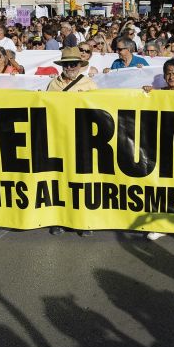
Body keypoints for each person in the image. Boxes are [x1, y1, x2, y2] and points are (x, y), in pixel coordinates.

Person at [142, 58, 174, 242]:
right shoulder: (158, 93)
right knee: (161, 186)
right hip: (161, 145)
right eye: (168, 73)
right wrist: (147, 93)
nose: (171, 76)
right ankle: (160, 225)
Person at [46, 47, 98, 237]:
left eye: (74, 64)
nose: (70, 67)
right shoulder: (53, 84)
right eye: (67, 64)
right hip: (59, 139)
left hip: (83, 138)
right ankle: (60, 219)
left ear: (80, 65)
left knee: (83, 180)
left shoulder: (90, 84)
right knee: (60, 180)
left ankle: (84, 221)